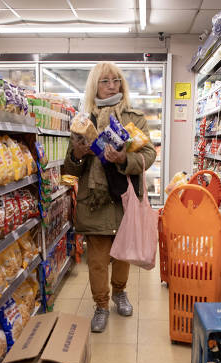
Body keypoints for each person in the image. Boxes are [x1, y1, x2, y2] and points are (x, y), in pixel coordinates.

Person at [62, 61, 157, 333]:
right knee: (98, 259)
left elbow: (149, 155)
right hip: (95, 199)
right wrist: (78, 155)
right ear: (95, 85)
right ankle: (101, 304)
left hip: (125, 197)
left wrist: (124, 158)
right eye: (105, 81)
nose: (112, 85)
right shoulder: (83, 121)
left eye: (116, 80)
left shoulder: (134, 118)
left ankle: (120, 292)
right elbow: (70, 171)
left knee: (124, 253)